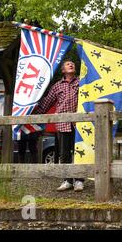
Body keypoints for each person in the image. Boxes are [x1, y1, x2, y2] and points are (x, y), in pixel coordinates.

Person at [33, 60, 83, 192]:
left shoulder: (82, 83)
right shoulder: (57, 86)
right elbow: (47, 102)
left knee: (79, 152)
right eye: (67, 64)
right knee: (64, 153)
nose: (71, 65)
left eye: (73, 63)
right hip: (62, 123)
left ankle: (79, 180)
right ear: (62, 70)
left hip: (80, 123)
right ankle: (67, 180)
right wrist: (32, 113)